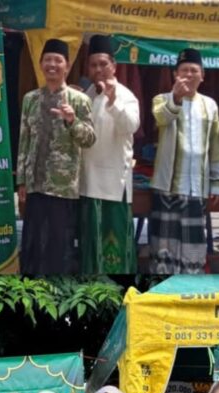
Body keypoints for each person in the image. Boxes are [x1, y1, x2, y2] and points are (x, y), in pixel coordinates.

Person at [17, 38, 96, 274]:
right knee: (31, 243)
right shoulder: (31, 99)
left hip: (63, 187)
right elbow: (24, 141)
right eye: (47, 60)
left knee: (58, 246)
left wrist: (72, 121)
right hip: (34, 185)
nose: (52, 64)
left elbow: (90, 139)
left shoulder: (80, 100)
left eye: (57, 60)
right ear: (40, 64)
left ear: (67, 66)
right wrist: (21, 181)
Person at [149, 48, 219, 274]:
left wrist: (218, 183)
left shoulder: (210, 105)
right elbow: (162, 118)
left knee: (193, 248)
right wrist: (177, 98)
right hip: (167, 186)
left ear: (203, 75)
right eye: (184, 70)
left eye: (194, 70)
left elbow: (216, 144)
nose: (189, 75)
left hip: (196, 187)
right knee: (164, 248)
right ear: (175, 75)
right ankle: (162, 292)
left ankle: (190, 290)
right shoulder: (161, 99)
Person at [79, 34, 140, 274]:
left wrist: (113, 101)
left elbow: (130, 126)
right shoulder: (88, 95)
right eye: (94, 65)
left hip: (114, 185)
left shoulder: (126, 95)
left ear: (113, 66)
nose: (99, 69)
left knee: (115, 247)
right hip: (87, 182)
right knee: (90, 246)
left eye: (103, 64)